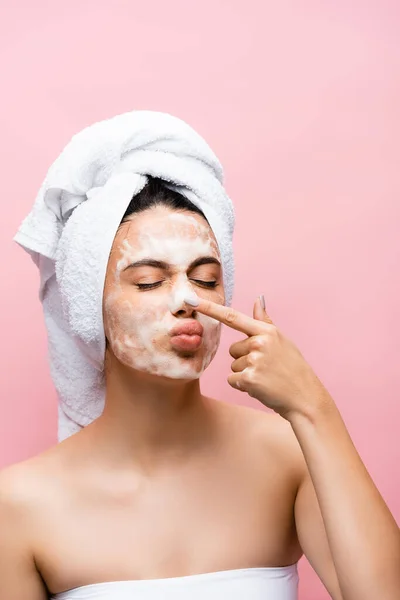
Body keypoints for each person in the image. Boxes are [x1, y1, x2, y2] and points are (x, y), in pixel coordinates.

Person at [1, 119, 399, 600]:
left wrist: (313, 408)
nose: (187, 298)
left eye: (207, 279)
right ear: (89, 306)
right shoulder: (19, 506)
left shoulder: (289, 455)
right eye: (150, 281)